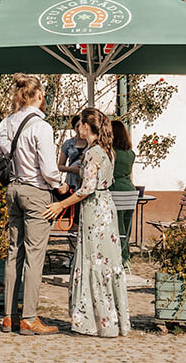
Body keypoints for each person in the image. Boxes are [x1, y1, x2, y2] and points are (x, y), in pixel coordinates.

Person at [45, 108, 131, 337]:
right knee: (106, 260)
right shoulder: (105, 150)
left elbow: (86, 188)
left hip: (95, 209)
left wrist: (61, 205)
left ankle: (95, 321)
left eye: (80, 124)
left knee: (94, 260)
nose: (77, 128)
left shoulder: (93, 152)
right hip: (105, 206)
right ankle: (111, 319)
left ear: (86, 126)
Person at [0, 74, 67, 336]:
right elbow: (48, 168)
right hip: (36, 191)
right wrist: (60, 186)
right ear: (37, 95)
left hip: (12, 189)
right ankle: (29, 317)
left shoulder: (6, 123)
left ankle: (8, 316)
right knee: (34, 256)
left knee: (14, 252)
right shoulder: (41, 126)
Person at [110, 119, 136, 265]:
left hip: (115, 190)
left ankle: (120, 258)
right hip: (130, 191)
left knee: (117, 226)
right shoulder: (130, 153)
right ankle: (126, 256)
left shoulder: (111, 153)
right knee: (127, 227)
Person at [58, 115, 87, 190]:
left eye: (82, 125)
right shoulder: (68, 143)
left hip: (86, 179)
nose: (80, 128)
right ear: (74, 128)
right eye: (77, 126)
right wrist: (71, 169)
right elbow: (60, 166)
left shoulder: (91, 143)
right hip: (72, 180)